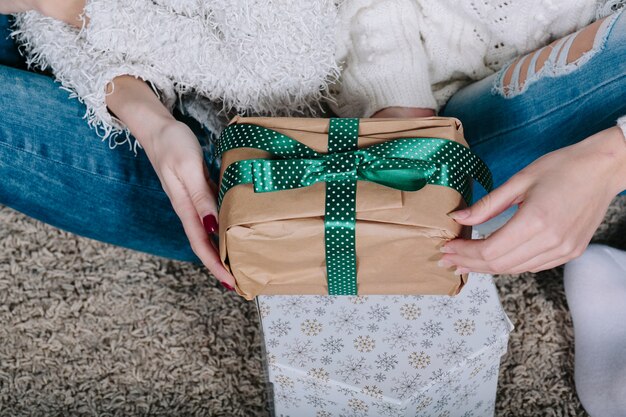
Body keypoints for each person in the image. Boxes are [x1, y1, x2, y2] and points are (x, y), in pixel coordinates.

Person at [0, 1, 624, 414]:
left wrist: (610, 157)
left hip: (475, 122)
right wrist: (140, 111)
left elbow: (280, 58)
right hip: (272, 121)